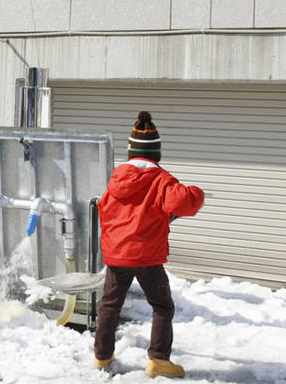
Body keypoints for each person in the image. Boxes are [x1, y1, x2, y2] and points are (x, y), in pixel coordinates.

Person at [93, 111, 204, 379]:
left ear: (131, 152)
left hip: (118, 254)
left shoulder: (116, 178)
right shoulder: (161, 180)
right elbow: (185, 203)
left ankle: (102, 356)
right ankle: (158, 360)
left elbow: (104, 208)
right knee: (162, 306)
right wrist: (197, 193)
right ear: (157, 153)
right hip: (147, 256)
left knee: (110, 305)